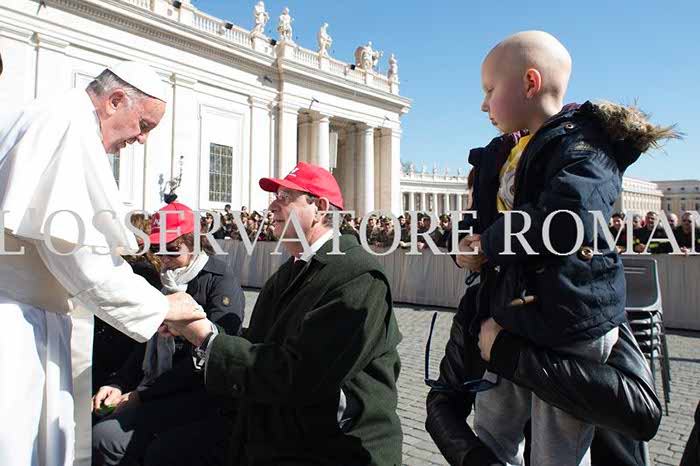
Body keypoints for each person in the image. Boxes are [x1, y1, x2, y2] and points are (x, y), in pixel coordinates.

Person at [459, 31, 677, 466]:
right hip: (513, 313)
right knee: (490, 431)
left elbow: (566, 222)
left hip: (569, 321)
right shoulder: (501, 154)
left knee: (557, 448)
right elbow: (480, 218)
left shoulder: (585, 146)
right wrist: (465, 244)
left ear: (530, 83)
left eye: (489, 90)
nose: (483, 105)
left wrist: (490, 243)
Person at [0, 61, 205, 466]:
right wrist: (162, 307)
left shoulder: (51, 114)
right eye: (143, 125)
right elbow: (79, 257)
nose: (142, 139)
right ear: (114, 101)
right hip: (19, 326)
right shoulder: (67, 126)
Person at [429, 130, 662, 466]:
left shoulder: (588, 303)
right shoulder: (480, 301)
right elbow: (441, 402)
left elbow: (642, 412)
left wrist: (510, 355)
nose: (472, 224)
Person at [163, 162, 404, 465]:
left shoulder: (357, 275)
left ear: (320, 208)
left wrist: (206, 338)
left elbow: (302, 375)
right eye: (275, 196)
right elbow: (261, 345)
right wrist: (193, 327)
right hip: (283, 436)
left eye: (285, 197)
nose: (272, 205)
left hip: (335, 450)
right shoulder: (291, 270)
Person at [92, 202, 245, 466]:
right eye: (157, 249)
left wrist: (142, 395)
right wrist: (118, 383)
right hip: (153, 388)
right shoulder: (161, 280)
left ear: (194, 243)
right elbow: (144, 341)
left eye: (171, 249)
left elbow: (215, 354)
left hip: (195, 396)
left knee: (106, 438)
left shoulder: (220, 281)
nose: (163, 258)